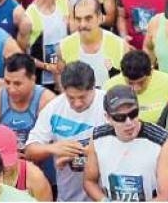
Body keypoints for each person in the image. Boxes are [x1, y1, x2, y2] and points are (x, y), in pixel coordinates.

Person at [25, 61, 108, 202]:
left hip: (104, 196)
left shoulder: (108, 104)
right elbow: (30, 150)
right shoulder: (54, 108)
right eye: (70, 97)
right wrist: (52, 148)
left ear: (93, 87)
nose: (77, 103)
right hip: (68, 196)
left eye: (82, 97)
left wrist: (85, 154)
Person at [83, 84, 168, 201]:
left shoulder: (162, 141)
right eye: (120, 118)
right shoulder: (97, 137)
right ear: (107, 117)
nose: (128, 122)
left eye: (133, 114)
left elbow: (166, 196)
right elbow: (89, 181)